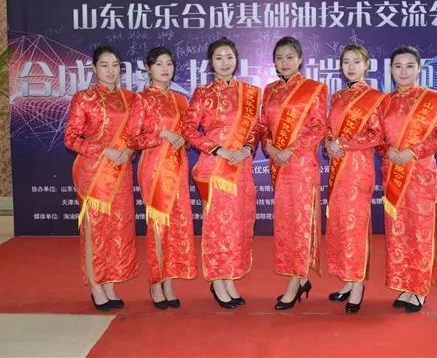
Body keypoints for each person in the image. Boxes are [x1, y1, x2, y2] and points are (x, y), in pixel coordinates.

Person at [182, 37, 260, 309]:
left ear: (236, 60)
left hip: (241, 167)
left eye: (229, 57)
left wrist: (248, 148)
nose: (225, 63)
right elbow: (188, 129)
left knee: (238, 225)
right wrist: (218, 150)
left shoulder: (249, 92)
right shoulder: (203, 93)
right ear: (211, 63)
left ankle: (231, 277)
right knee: (217, 226)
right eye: (219, 58)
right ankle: (217, 280)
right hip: (215, 168)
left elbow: (256, 129)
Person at [64, 45, 138, 311]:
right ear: (94, 68)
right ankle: (96, 286)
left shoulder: (130, 98)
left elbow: (135, 135)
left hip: (121, 172)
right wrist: (104, 150)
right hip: (93, 174)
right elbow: (70, 138)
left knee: (117, 229)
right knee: (94, 230)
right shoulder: (84, 98)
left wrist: (130, 150)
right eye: (105, 65)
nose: (111, 70)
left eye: (115, 65)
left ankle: (110, 284)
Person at [380, 45, 437, 313]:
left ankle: (419, 289)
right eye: (398, 66)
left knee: (420, 232)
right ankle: (404, 285)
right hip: (393, 175)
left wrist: (412, 152)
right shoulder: (384, 102)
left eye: (409, 66)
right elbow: (378, 137)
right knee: (398, 231)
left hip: (421, 175)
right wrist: (386, 150)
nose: (403, 71)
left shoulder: (431, 100)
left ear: (419, 68)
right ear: (390, 69)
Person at [259, 36, 328, 310]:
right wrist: (270, 147)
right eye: (279, 58)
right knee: (286, 225)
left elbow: (319, 127)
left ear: (300, 59)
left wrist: (291, 150)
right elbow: (263, 126)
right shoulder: (270, 90)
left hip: (301, 165)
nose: (284, 62)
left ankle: (296, 281)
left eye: (289, 56)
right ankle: (299, 277)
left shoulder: (315, 89)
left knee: (300, 224)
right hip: (278, 164)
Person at [126, 46, 197, 310]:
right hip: (154, 169)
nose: (165, 68)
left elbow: (188, 134)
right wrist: (161, 135)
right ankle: (156, 282)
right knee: (157, 225)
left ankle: (170, 281)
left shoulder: (181, 100)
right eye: (159, 64)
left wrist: (183, 139)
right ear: (148, 68)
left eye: (169, 63)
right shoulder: (141, 99)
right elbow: (132, 139)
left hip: (178, 168)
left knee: (176, 226)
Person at [325, 44, 386, 314]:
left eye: (357, 62)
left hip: (358, 169)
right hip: (337, 168)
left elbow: (377, 135)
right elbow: (328, 130)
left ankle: (358, 284)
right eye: (346, 62)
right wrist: (329, 143)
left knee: (355, 226)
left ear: (366, 65)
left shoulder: (375, 98)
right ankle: (348, 281)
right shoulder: (337, 97)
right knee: (340, 224)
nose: (351, 67)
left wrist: (343, 143)